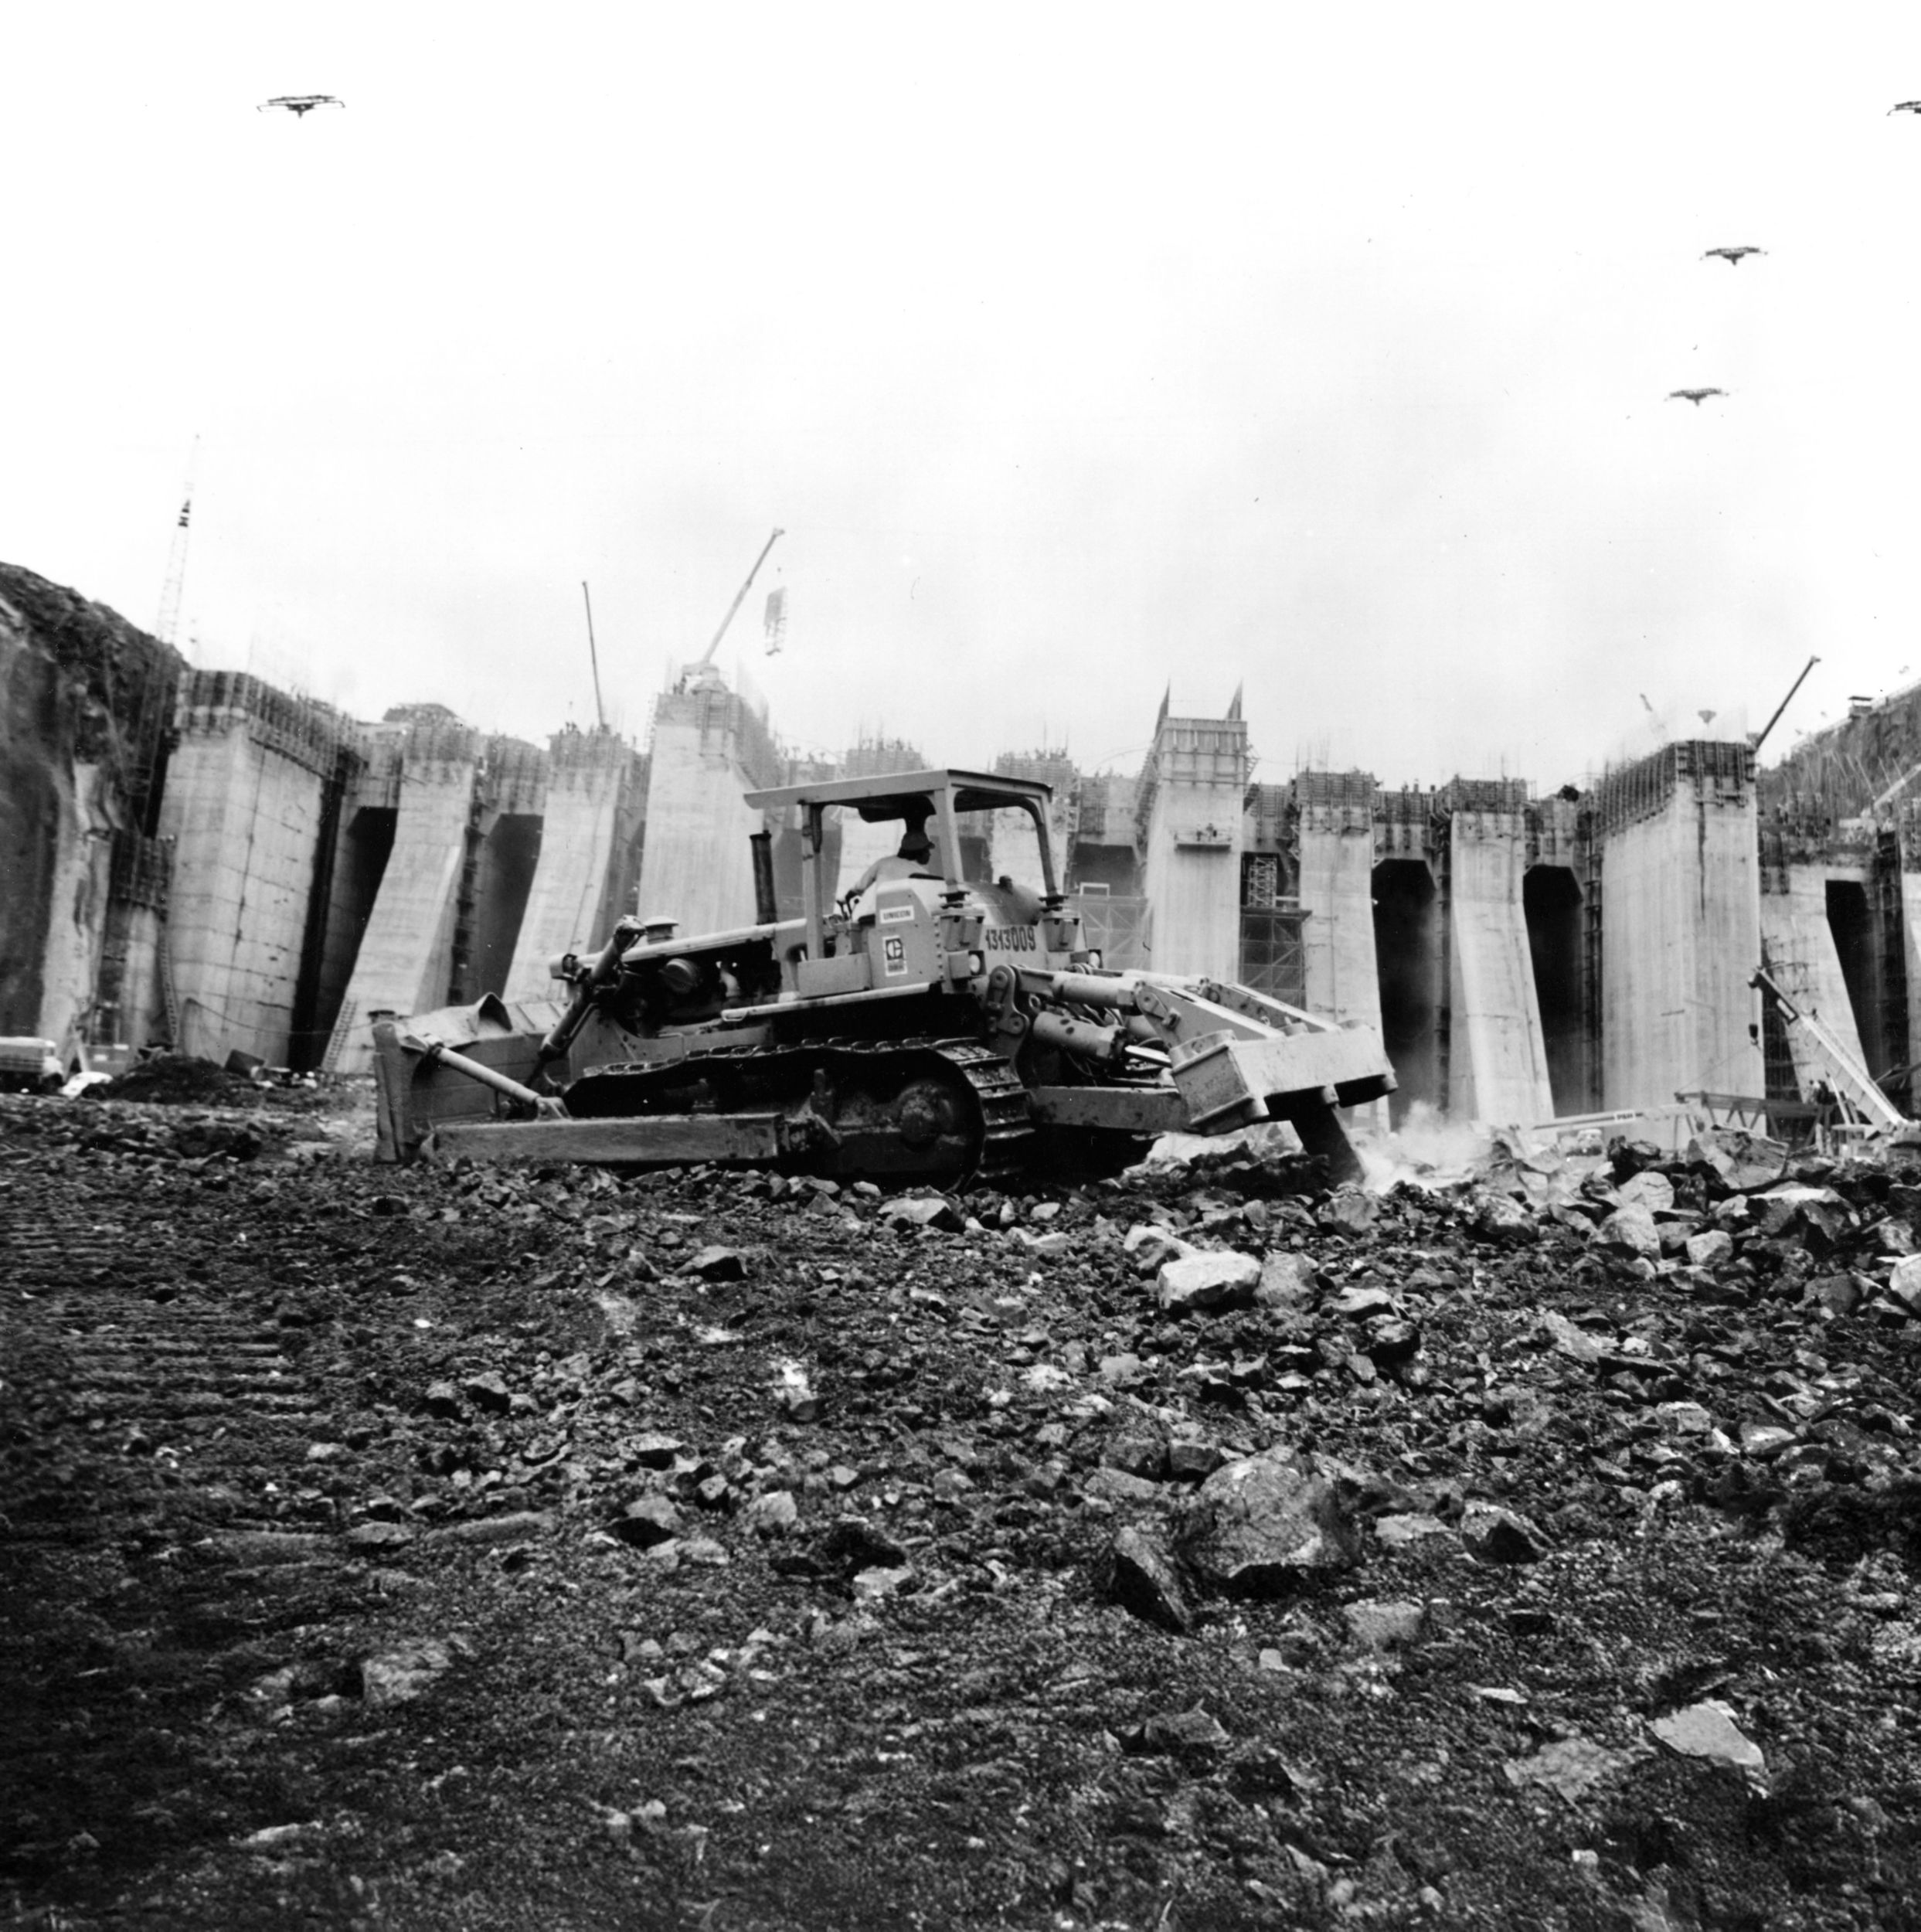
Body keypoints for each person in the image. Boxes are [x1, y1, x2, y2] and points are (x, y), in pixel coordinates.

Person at [845, 816, 938, 902]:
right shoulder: (923, 876)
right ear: (918, 851)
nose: (929, 854)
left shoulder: (883, 863)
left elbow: (859, 888)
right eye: (926, 850)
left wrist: (846, 898)